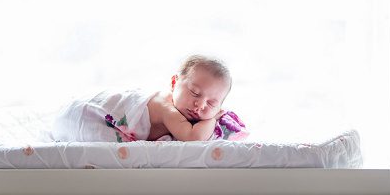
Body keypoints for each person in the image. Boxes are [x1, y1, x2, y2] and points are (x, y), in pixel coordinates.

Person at [52, 55, 246, 143]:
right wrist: (211, 118)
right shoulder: (167, 108)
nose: (200, 104)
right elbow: (193, 138)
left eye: (212, 103)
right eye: (194, 93)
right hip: (83, 115)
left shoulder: (187, 110)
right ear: (173, 83)